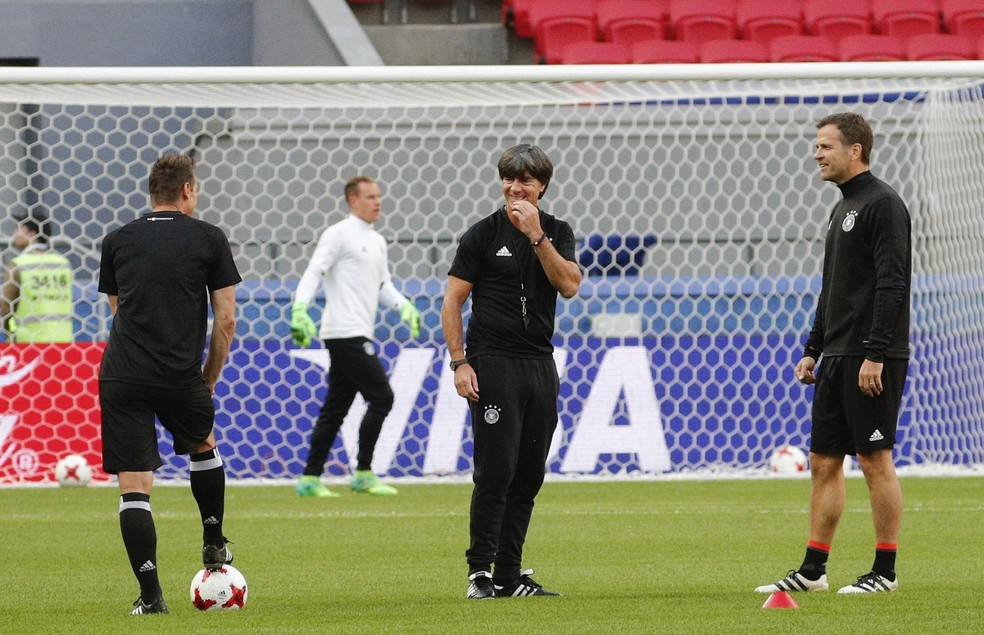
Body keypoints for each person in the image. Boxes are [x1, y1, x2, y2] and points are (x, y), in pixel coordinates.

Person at [756, 113, 911, 595]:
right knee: (824, 462)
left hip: (871, 356)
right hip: (837, 355)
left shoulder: (883, 204)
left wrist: (875, 353)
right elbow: (832, 288)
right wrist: (813, 348)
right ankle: (812, 570)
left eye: (824, 146)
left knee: (874, 460)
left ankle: (884, 572)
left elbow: (892, 282)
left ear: (855, 151)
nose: (816, 154)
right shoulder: (841, 208)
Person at [98, 154, 241, 615]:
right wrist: (208, 379)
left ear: (151, 193)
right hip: (180, 374)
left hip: (122, 373)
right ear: (187, 190)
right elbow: (226, 321)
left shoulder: (116, 240)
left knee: (135, 487)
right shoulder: (208, 238)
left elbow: (119, 311)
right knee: (203, 443)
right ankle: (213, 540)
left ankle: (152, 597)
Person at [440, 143, 581, 600]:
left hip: (540, 363)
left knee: (528, 474)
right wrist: (460, 362)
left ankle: (509, 574)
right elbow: (452, 302)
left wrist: (538, 237)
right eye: (508, 178)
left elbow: (570, 286)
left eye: (525, 181)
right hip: (493, 361)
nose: (515, 188)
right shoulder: (481, 235)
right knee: (496, 471)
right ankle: (479, 573)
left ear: (541, 186)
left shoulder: (557, 231)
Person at [291, 175, 421, 498]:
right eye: (370, 197)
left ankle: (309, 478)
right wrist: (300, 308)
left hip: (358, 331)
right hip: (344, 332)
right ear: (353, 200)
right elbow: (314, 270)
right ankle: (363, 472)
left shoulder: (377, 241)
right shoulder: (338, 234)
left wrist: (404, 307)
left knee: (336, 407)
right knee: (382, 397)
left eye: (379, 196)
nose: (378, 202)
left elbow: (382, 285)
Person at [0, 213, 73, 342]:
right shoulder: (63, 263)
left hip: (28, 342)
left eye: (19, 228)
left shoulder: (18, 265)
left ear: (32, 233)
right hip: (63, 339)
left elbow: (5, 305)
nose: (14, 232)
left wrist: (11, 331)